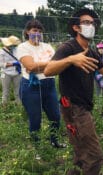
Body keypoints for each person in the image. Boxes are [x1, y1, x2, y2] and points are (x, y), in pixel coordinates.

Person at [43, 8, 103, 175]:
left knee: (81, 153)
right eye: (86, 22)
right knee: (95, 157)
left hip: (82, 108)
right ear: (76, 27)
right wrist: (72, 59)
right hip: (73, 108)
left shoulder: (92, 51)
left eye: (93, 23)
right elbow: (48, 70)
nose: (91, 25)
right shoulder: (68, 47)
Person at [16, 19, 65, 149]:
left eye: (39, 31)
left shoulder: (47, 47)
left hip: (49, 85)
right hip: (31, 87)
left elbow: (57, 64)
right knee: (35, 119)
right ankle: (37, 147)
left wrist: (37, 67)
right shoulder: (23, 47)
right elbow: (30, 66)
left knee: (55, 116)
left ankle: (54, 141)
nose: (37, 33)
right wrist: (48, 65)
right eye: (34, 31)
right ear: (27, 32)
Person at [0, 35, 22, 104]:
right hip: (6, 73)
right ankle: (4, 106)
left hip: (17, 72)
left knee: (18, 90)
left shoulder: (16, 49)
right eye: (13, 45)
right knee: (5, 91)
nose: (14, 46)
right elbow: (1, 64)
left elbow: (20, 59)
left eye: (15, 45)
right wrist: (13, 64)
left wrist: (19, 63)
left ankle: (19, 105)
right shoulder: (1, 52)